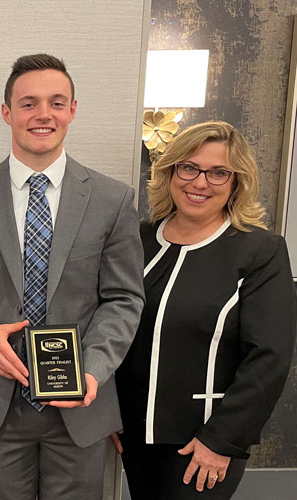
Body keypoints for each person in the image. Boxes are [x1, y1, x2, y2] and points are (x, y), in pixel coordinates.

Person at [0, 53, 145, 499]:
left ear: (72, 109)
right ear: (7, 112)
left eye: (56, 102)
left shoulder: (112, 200)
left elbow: (124, 299)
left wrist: (91, 371)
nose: (42, 114)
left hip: (80, 408)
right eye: (28, 103)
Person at [114, 121, 296, 499]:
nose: (200, 182)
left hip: (204, 441)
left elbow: (269, 358)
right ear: (171, 171)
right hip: (132, 433)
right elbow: (112, 327)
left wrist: (222, 439)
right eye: (190, 167)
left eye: (218, 172)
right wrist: (107, 414)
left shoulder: (260, 251)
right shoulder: (137, 239)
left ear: (236, 182)